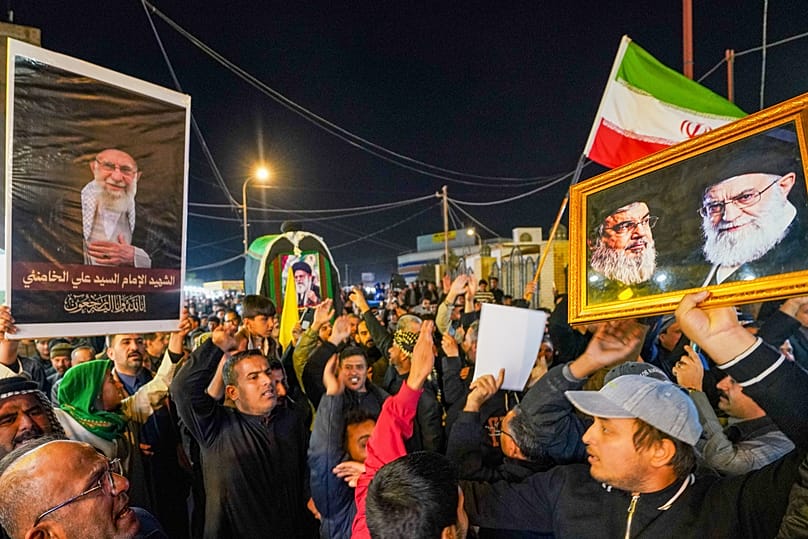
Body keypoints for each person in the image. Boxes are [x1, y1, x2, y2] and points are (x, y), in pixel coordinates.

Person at [460, 290, 808, 537]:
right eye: (594, 423)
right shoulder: (566, 489)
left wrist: (735, 345)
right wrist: (586, 363)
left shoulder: (728, 509)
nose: (587, 435)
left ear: (661, 450)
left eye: (606, 428)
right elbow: (530, 427)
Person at [173, 325, 311, 538]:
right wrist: (215, 345)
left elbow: (307, 470)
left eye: (267, 373)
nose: (267, 381)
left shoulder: (291, 421)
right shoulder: (216, 426)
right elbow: (183, 390)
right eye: (253, 377)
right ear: (232, 392)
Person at [352, 321, 469, 539]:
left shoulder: (373, 524)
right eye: (462, 507)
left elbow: (379, 459)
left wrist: (415, 378)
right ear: (449, 534)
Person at [698, 134, 808, 285]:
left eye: (745, 197)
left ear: (783, 186)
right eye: (715, 205)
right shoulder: (698, 256)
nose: (729, 216)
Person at [0, 438, 147, 539]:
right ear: (45, 536)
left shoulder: (146, 525)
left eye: (110, 470)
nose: (123, 483)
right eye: (96, 483)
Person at [80, 149, 153, 267]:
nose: (117, 177)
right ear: (94, 168)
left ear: (137, 176)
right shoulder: (68, 208)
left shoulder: (147, 218)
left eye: (126, 170)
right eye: (108, 166)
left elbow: (166, 261)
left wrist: (136, 257)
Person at [587, 201, 659, 302]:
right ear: (593, 242)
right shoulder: (587, 296)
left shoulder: (662, 288)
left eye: (645, 221)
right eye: (624, 226)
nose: (641, 232)